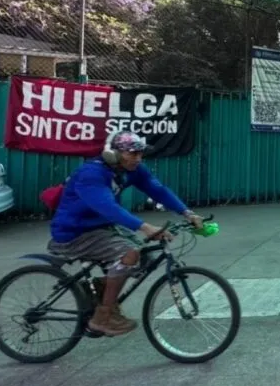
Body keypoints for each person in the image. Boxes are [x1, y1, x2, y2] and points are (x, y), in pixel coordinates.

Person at [48, 131, 203, 337]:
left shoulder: (131, 169)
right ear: (113, 153)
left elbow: (158, 190)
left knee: (145, 258)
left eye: (140, 154)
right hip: (74, 232)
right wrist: (145, 227)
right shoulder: (91, 174)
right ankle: (102, 317)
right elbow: (108, 207)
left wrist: (187, 213)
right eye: (132, 153)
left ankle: (100, 288)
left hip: (102, 228)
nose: (138, 158)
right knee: (129, 254)